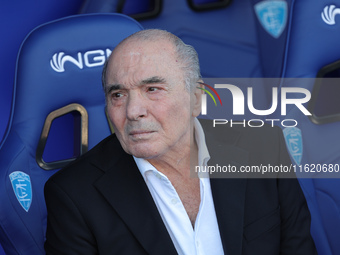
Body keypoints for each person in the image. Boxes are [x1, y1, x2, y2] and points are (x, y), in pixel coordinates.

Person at [44, 29, 317, 255]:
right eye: (118, 94)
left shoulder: (263, 147)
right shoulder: (74, 196)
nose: (132, 111)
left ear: (196, 98)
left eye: (152, 89)